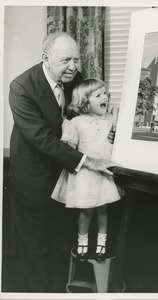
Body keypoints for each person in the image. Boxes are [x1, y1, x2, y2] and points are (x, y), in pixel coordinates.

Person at [8, 32, 117, 292]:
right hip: (33, 179)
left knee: (59, 246)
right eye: (66, 60)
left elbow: (86, 112)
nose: (74, 67)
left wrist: (106, 129)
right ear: (46, 59)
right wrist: (88, 161)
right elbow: (43, 140)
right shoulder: (21, 87)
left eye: (77, 59)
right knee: (34, 251)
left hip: (66, 179)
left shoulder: (75, 79)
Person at [51, 78, 121, 262]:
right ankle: (82, 241)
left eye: (105, 93)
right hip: (85, 174)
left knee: (103, 209)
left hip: (104, 174)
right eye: (98, 95)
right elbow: (68, 150)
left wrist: (116, 128)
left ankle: (101, 243)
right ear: (84, 102)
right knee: (87, 210)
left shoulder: (109, 121)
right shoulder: (75, 123)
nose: (105, 96)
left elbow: (116, 135)